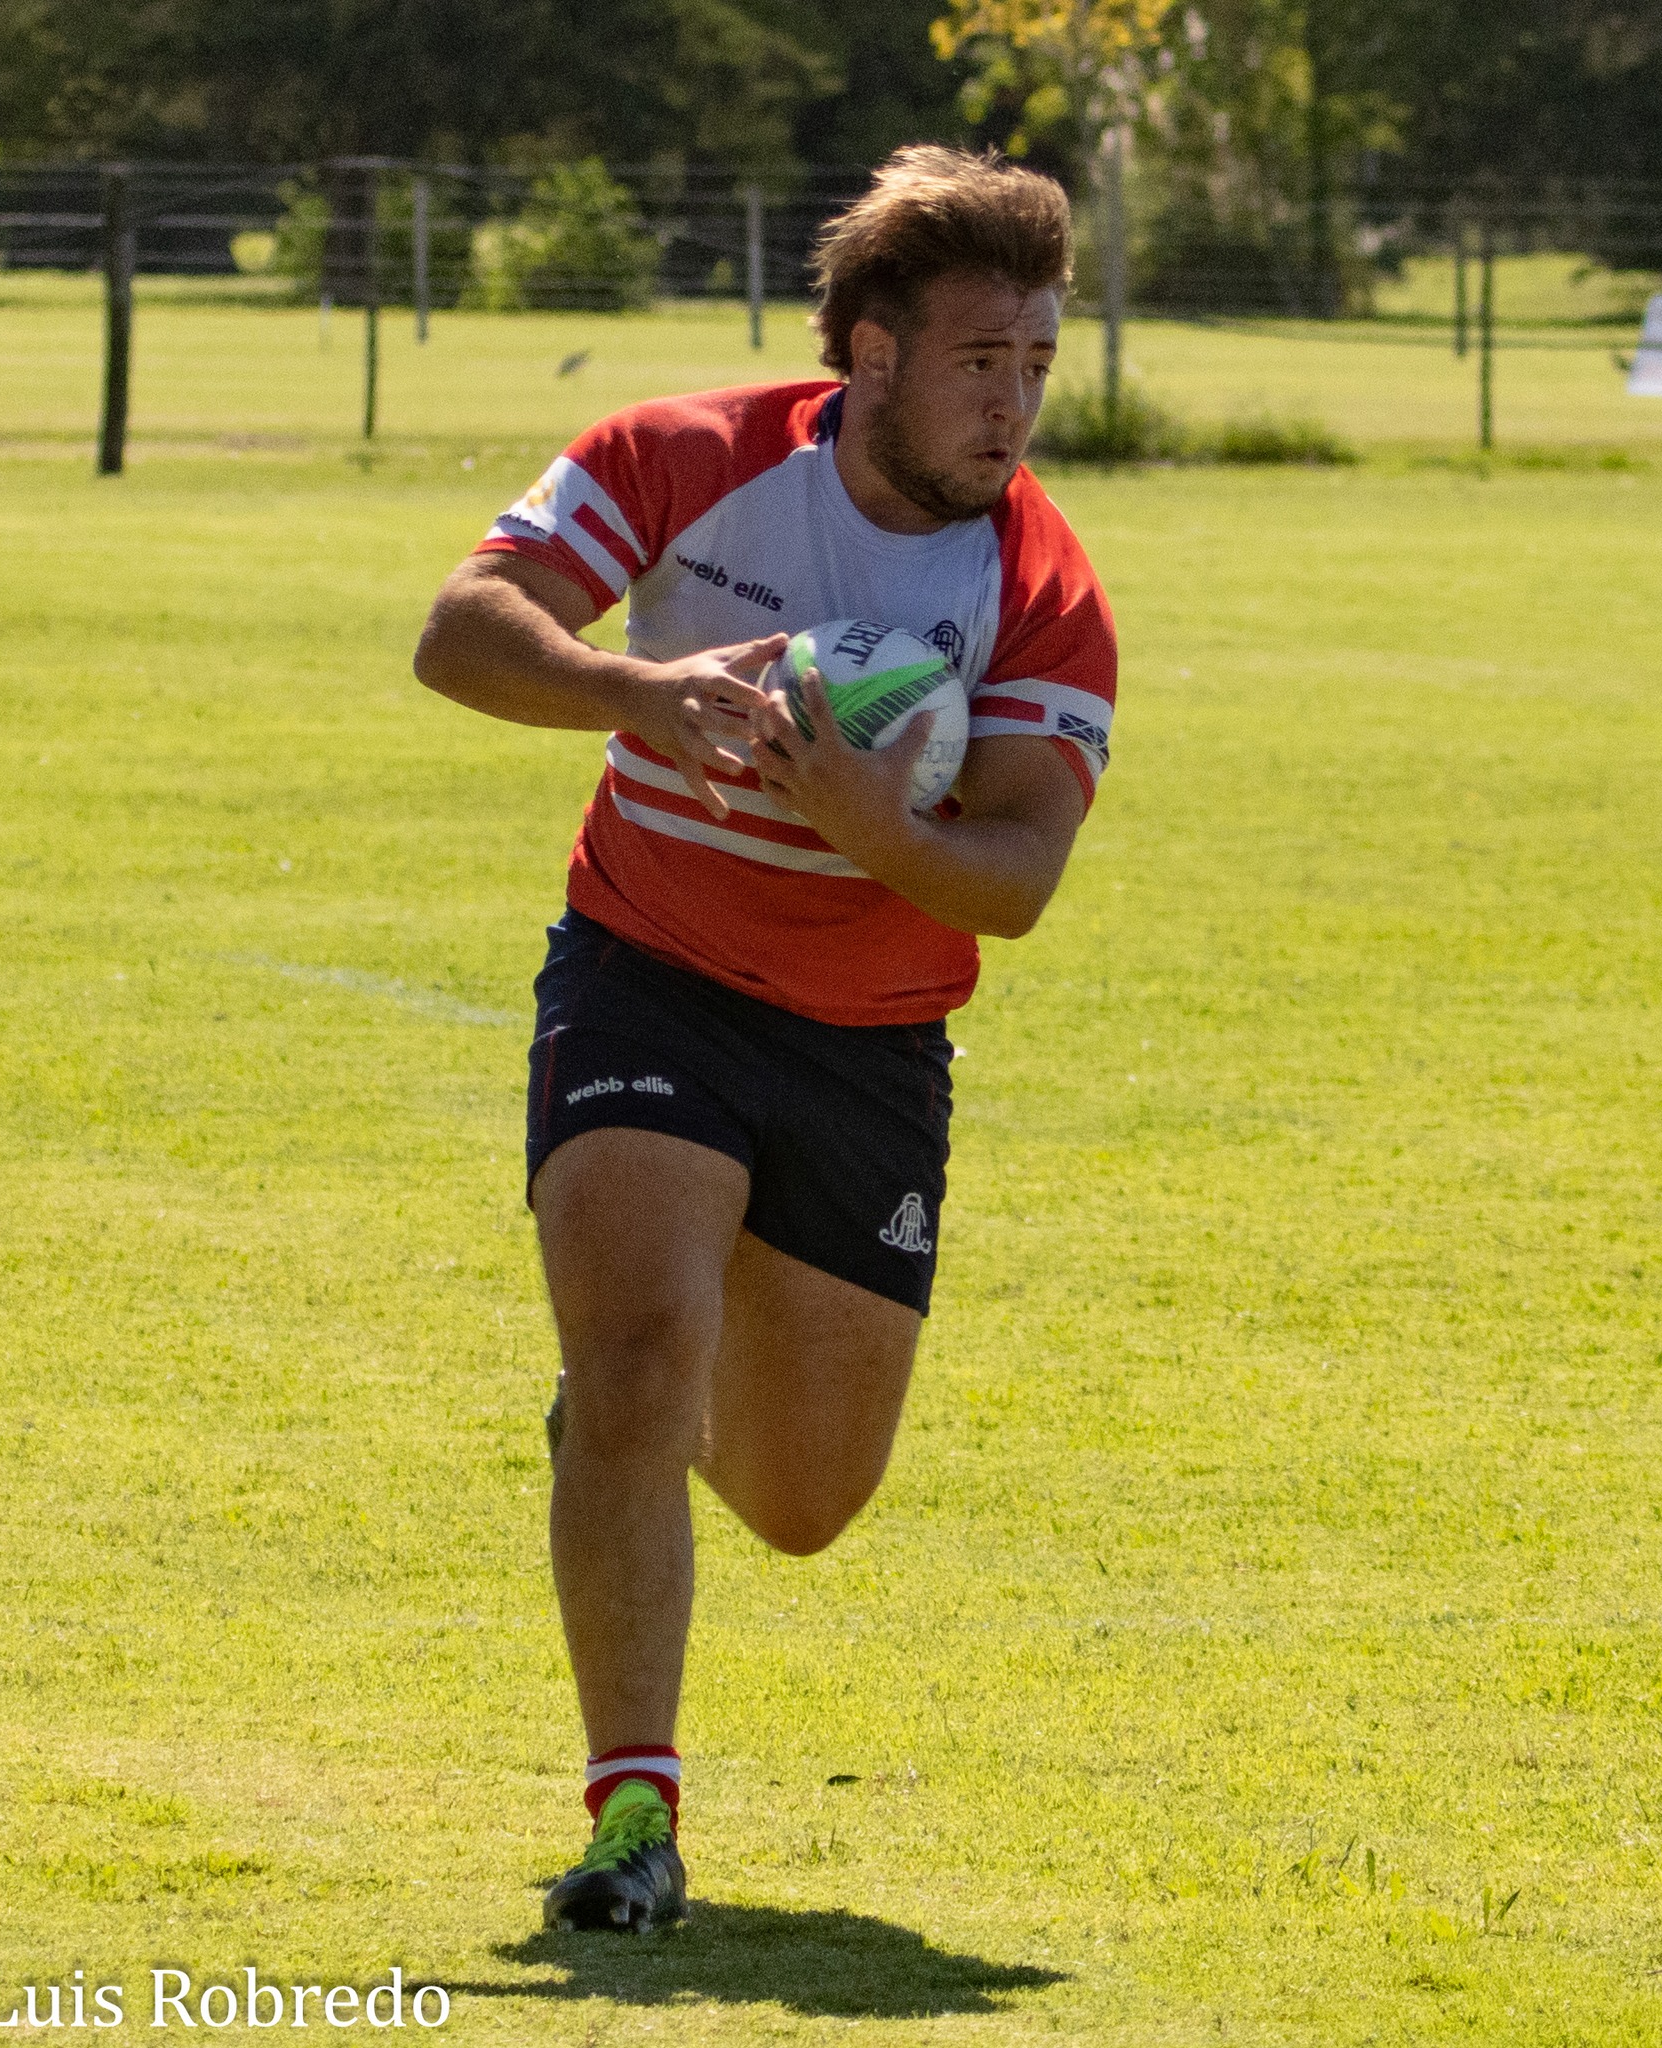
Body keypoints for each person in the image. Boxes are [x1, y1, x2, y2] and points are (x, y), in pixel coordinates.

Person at [413, 145, 1117, 1934]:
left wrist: (873, 823)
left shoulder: (1041, 585)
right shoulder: (684, 457)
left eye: (1038, 361)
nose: (1014, 401)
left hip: (870, 1043)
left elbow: (1018, 873)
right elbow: (461, 629)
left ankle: (625, 1407)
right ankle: (632, 1821)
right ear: (871, 353)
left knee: (806, 1502)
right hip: (649, 968)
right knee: (649, 1349)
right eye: (980, 360)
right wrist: (634, 690)